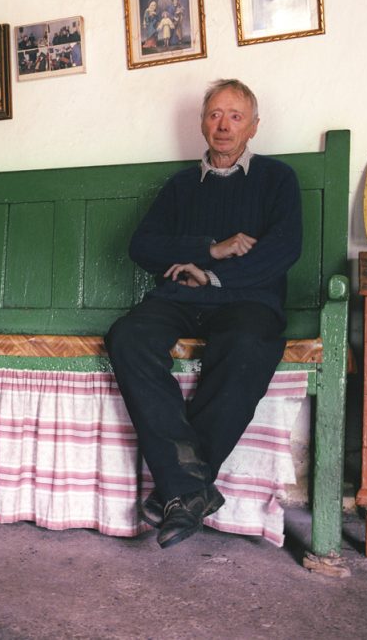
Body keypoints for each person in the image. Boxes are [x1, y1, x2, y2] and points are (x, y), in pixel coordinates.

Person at [104, 79, 302, 549]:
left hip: (247, 301)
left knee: (247, 345)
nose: (224, 125)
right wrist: (211, 249)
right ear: (201, 124)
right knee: (128, 336)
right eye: (215, 114)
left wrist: (212, 276)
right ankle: (190, 489)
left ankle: (178, 489)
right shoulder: (181, 186)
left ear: (254, 126)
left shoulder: (277, 178)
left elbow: (283, 250)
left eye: (235, 116)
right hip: (180, 299)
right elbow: (142, 246)